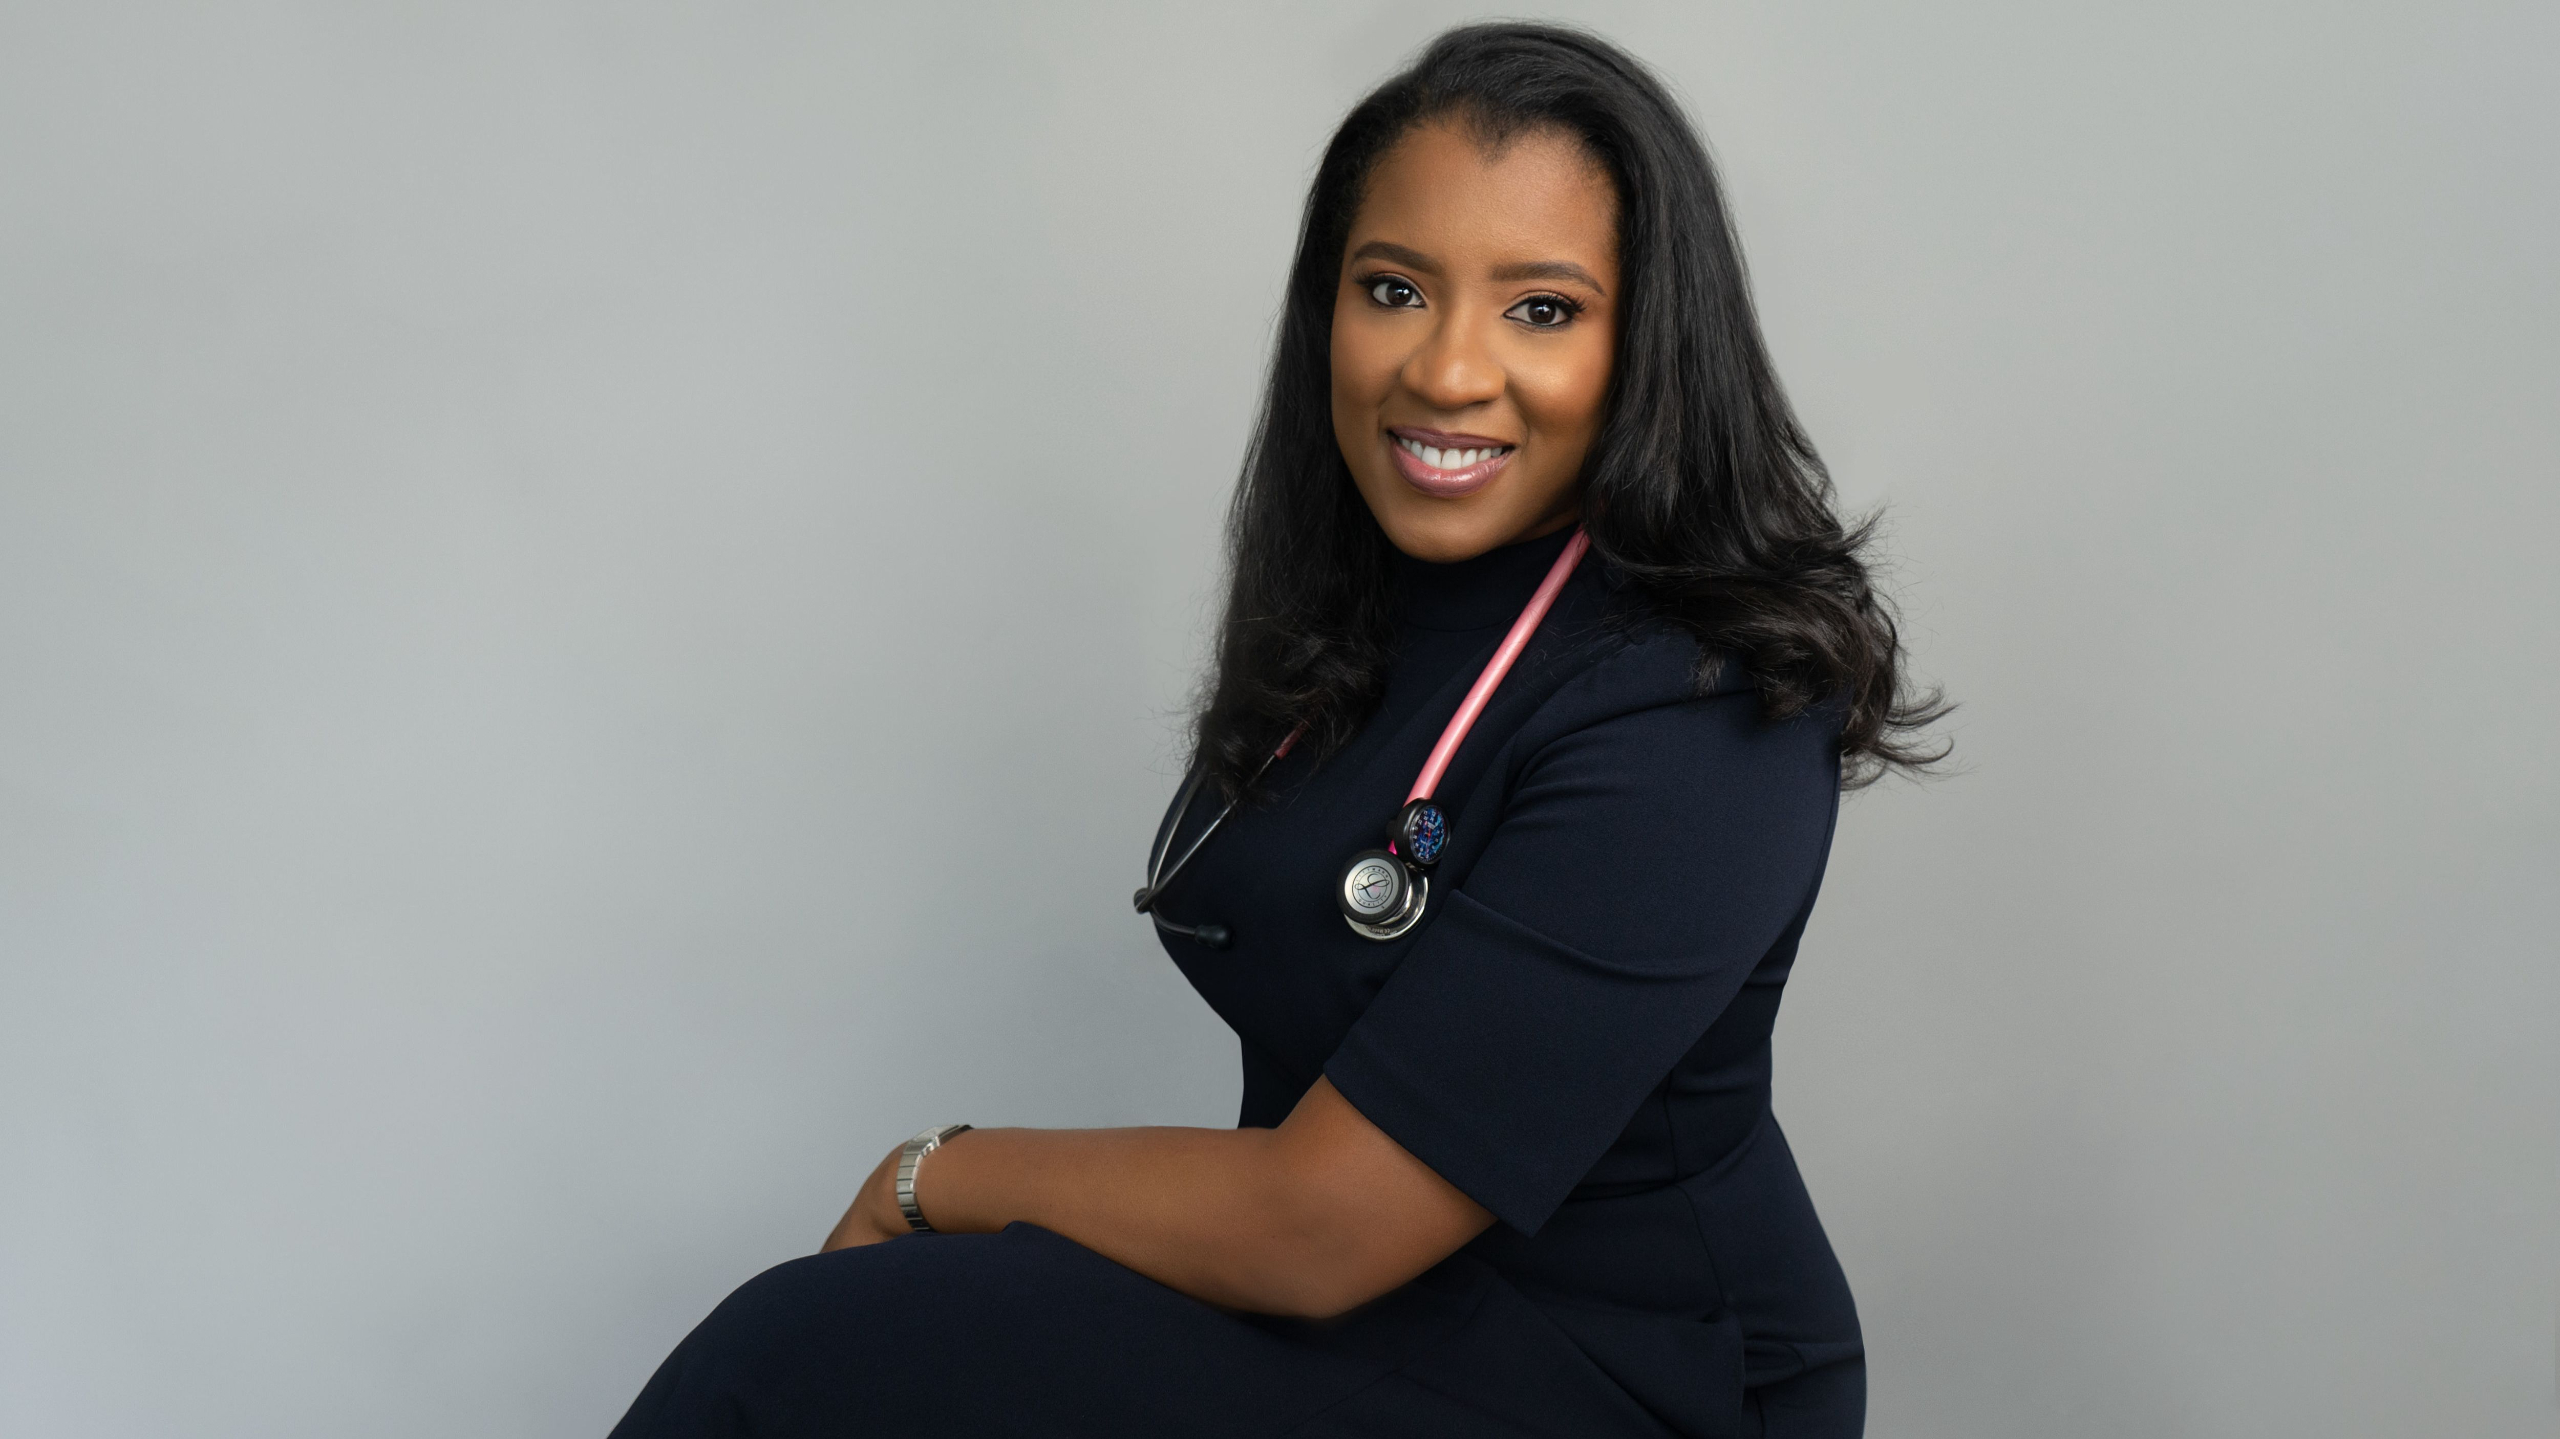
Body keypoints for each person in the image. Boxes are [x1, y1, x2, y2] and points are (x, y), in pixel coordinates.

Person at [611, 21, 1942, 1439]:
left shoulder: (1705, 708)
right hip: (1371, 1312)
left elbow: (1322, 1226)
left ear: (1652, 345)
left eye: (1542, 310)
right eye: (1394, 290)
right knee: (825, 1361)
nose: (1447, 370)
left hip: (1619, 1368)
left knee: (802, 1357)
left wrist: (930, 1177)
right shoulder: (1371, 612)